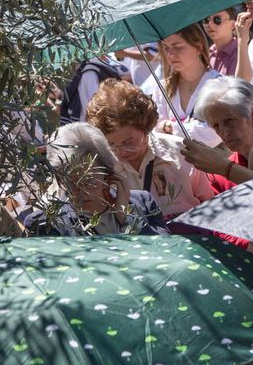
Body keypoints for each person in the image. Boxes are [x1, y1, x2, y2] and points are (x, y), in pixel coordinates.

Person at [84, 78, 217, 219]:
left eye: (129, 142)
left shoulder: (181, 151)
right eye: (111, 145)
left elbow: (209, 203)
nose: (121, 150)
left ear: (146, 128)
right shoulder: (99, 168)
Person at [25, 122, 165, 235]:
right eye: (72, 183)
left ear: (108, 173)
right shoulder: (44, 224)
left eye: (89, 181)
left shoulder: (144, 203)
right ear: (60, 180)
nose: (83, 192)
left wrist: (126, 217)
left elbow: (168, 254)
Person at [145, 23, 223, 146]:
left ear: (198, 47)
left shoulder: (218, 85)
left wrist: (169, 126)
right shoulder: (163, 88)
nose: (170, 54)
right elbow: (155, 133)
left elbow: (212, 135)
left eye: (178, 47)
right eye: (166, 47)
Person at [182, 76, 253, 186]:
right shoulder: (218, 178)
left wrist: (226, 169)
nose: (224, 132)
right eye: (215, 125)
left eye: (229, 120)